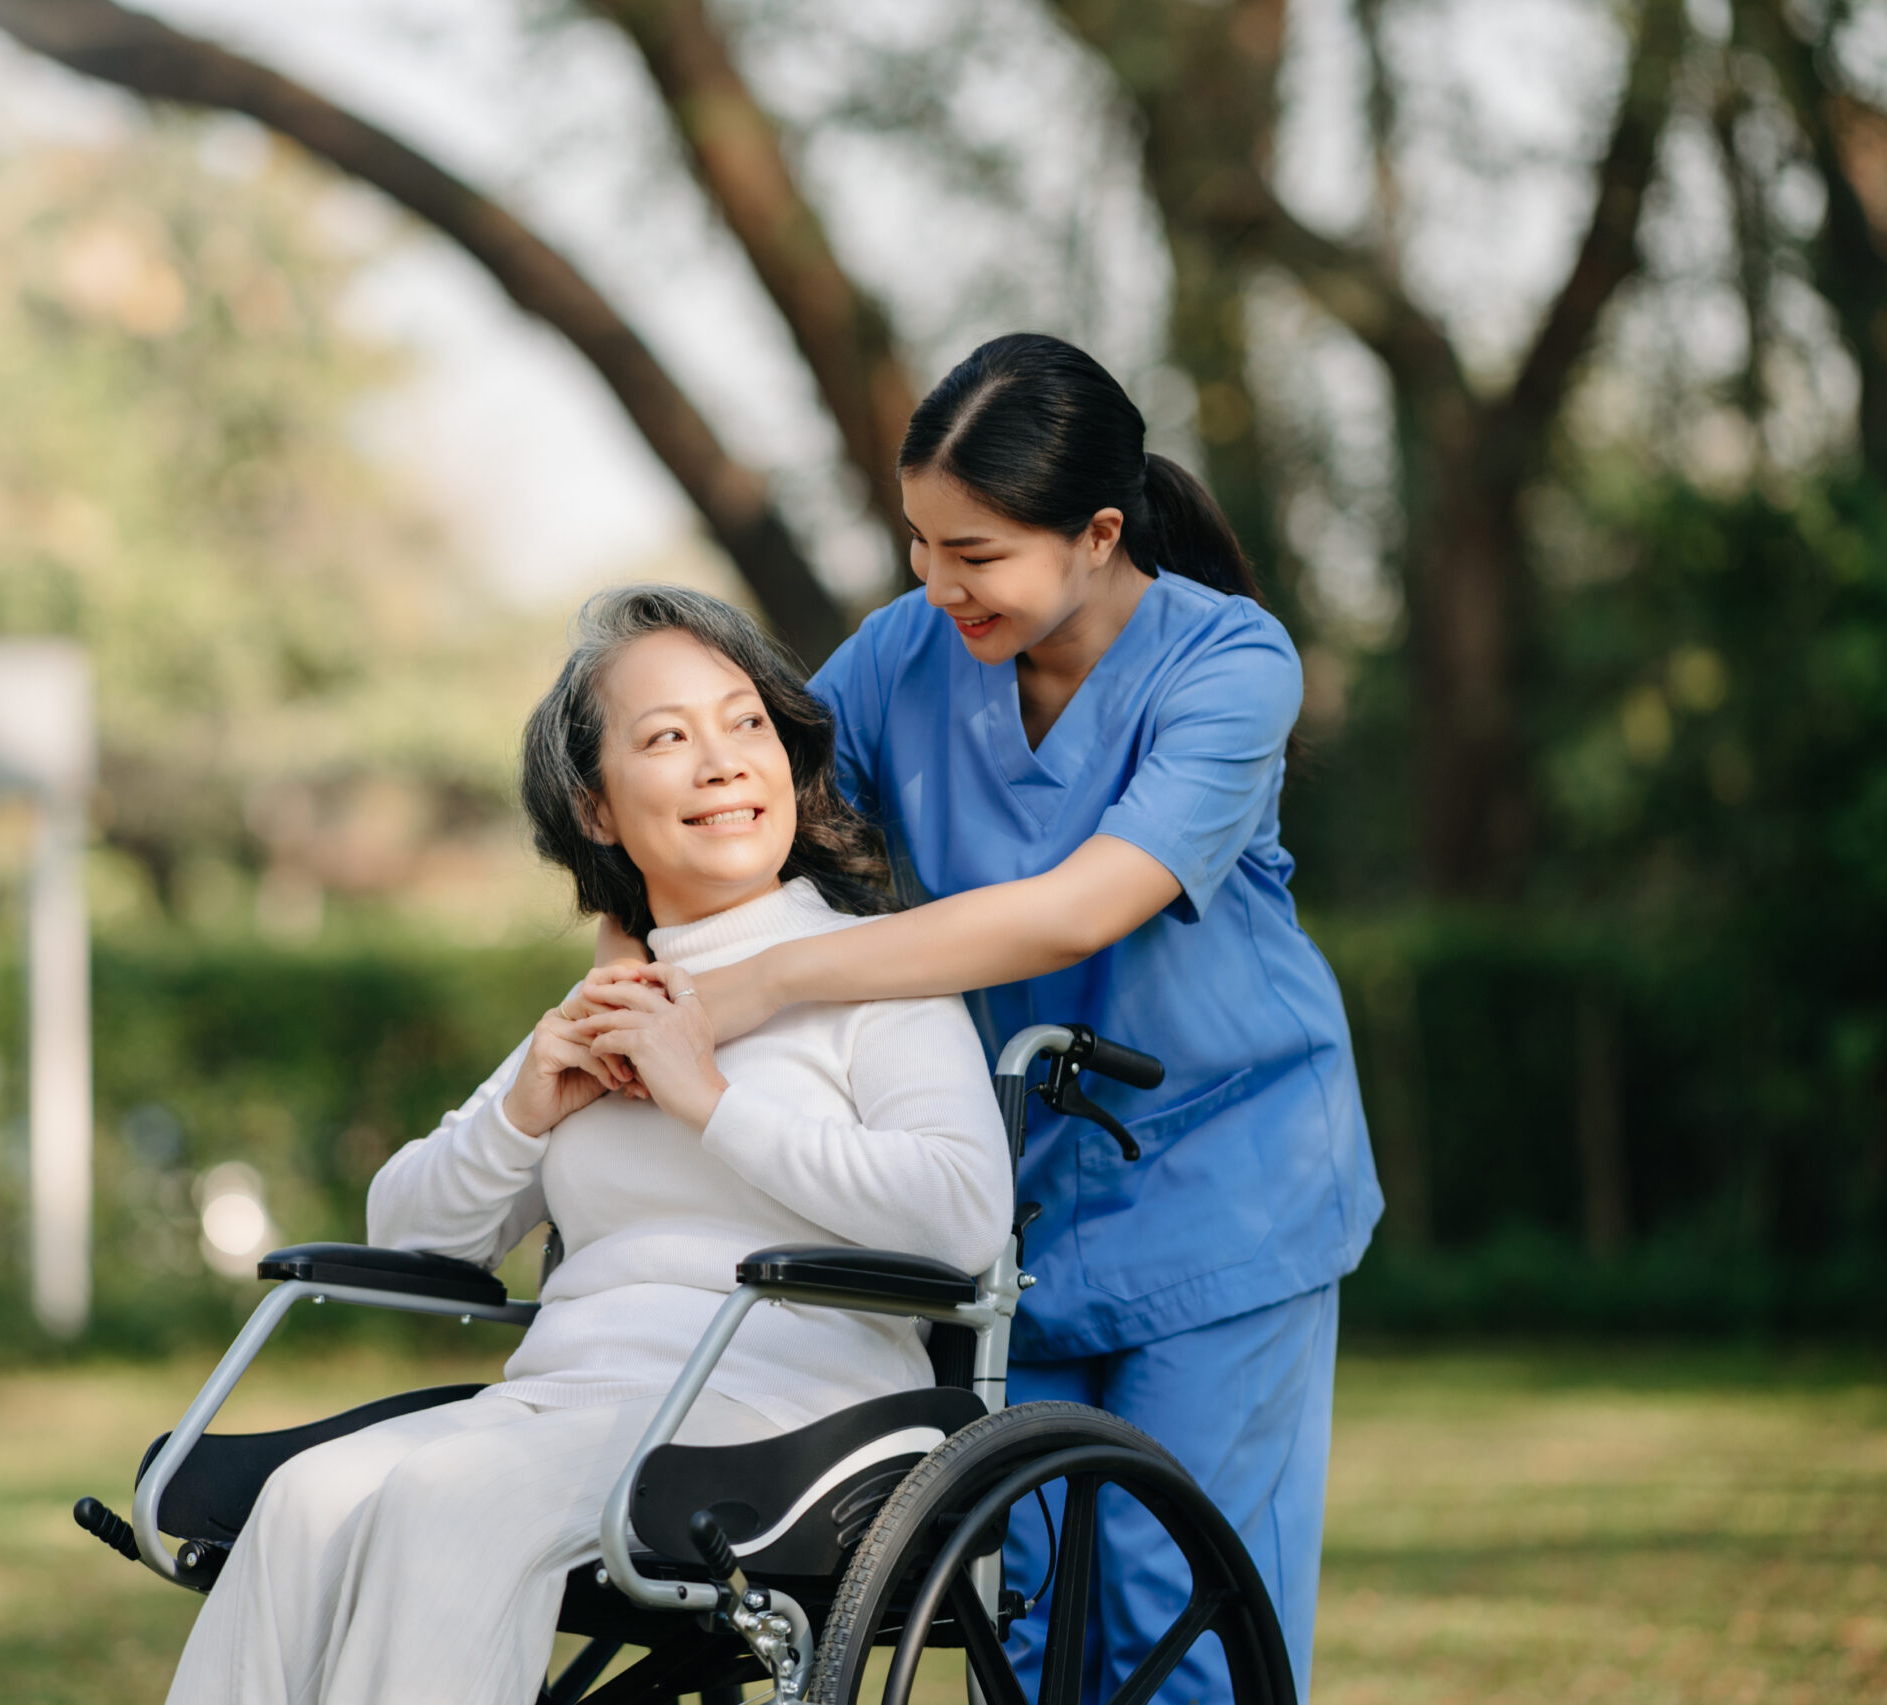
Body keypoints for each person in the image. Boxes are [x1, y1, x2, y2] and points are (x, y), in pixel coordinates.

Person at [575, 334, 1383, 1703]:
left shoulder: (1233, 666)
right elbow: (739, 810)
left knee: (1164, 1610)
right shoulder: (907, 654)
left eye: (977, 553)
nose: (938, 583)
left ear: (1100, 534)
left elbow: (1078, 909)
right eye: (919, 544)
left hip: (1231, 1186)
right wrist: (632, 943)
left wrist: (766, 983)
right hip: (1023, 1197)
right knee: (1033, 1615)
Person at [164, 585, 1011, 1705]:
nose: (721, 761)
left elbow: (962, 1215)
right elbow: (408, 1231)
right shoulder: (609, 1001)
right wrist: (525, 1105)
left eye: (744, 721)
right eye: (667, 737)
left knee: (450, 1497)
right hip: (568, 1399)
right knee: (306, 1500)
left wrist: (708, 1100)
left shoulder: (869, 972)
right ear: (598, 810)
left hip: (791, 1412)